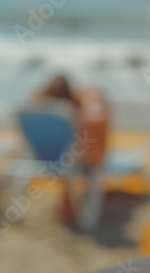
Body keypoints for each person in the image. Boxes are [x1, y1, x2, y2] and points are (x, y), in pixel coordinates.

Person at [32, 74, 111, 223]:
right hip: (71, 160)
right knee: (81, 152)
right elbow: (94, 153)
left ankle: (68, 202)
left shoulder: (35, 111)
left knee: (70, 152)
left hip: (45, 157)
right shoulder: (80, 108)